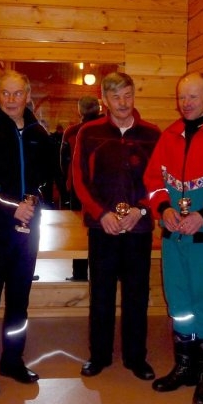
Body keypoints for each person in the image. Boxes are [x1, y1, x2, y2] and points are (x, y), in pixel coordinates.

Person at [143, 72, 203, 404]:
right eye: (182, 96)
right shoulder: (169, 135)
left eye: (194, 96)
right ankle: (185, 367)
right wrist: (163, 209)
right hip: (173, 236)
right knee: (178, 302)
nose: (187, 103)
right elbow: (153, 180)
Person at [72, 72, 160, 380]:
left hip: (139, 228)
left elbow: (159, 182)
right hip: (103, 228)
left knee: (137, 294)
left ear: (134, 95)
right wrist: (101, 214)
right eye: (115, 97)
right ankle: (99, 355)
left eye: (128, 95)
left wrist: (142, 209)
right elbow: (79, 179)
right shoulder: (89, 132)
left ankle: (136, 357)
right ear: (104, 100)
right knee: (102, 293)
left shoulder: (152, 134)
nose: (123, 103)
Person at [0, 70, 51, 396]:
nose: (12, 99)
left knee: (19, 300)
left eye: (18, 93)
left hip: (28, 231)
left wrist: (34, 199)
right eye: (6, 93)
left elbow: (47, 179)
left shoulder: (39, 134)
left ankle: (13, 360)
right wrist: (12, 206)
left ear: (28, 95)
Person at [61, 95, 103, 282]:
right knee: (102, 228)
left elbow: (63, 162)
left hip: (78, 188)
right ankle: (104, 273)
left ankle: (79, 274)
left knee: (78, 230)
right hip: (103, 189)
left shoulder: (72, 132)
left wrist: (67, 181)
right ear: (99, 108)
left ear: (80, 110)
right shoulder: (107, 129)